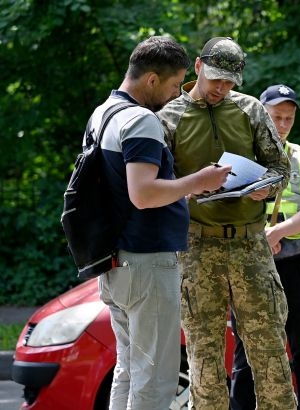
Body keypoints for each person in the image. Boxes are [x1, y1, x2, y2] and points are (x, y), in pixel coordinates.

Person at [156, 37, 297, 410]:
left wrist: (265, 189)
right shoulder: (169, 117)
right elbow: (156, 186)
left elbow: (280, 168)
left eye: (229, 81)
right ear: (198, 67)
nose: (221, 88)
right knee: (204, 356)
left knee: (269, 352)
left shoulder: (250, 110)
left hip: (251, 245)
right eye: (216, 78)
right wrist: (190, 190)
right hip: (198, 248)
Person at [94, 36, 232, 409]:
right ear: (152, 79)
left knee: (128, 370)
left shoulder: (104, 113)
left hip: (117, 261)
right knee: (155, 380)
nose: (176, 95)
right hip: (147, 262)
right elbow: (143, 193)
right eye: (174, 86)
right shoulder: (141, 120)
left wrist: (179, 192)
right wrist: (200, 181)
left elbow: (128, 190)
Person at [229, 84, 300, 410]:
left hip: (297, 266)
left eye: (289, 118)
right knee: (246, 353)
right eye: (276, 117)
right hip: (251, 267)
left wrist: (279, 232)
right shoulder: (240, 158)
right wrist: (260, 237)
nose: (282, 125)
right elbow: (223, 209)